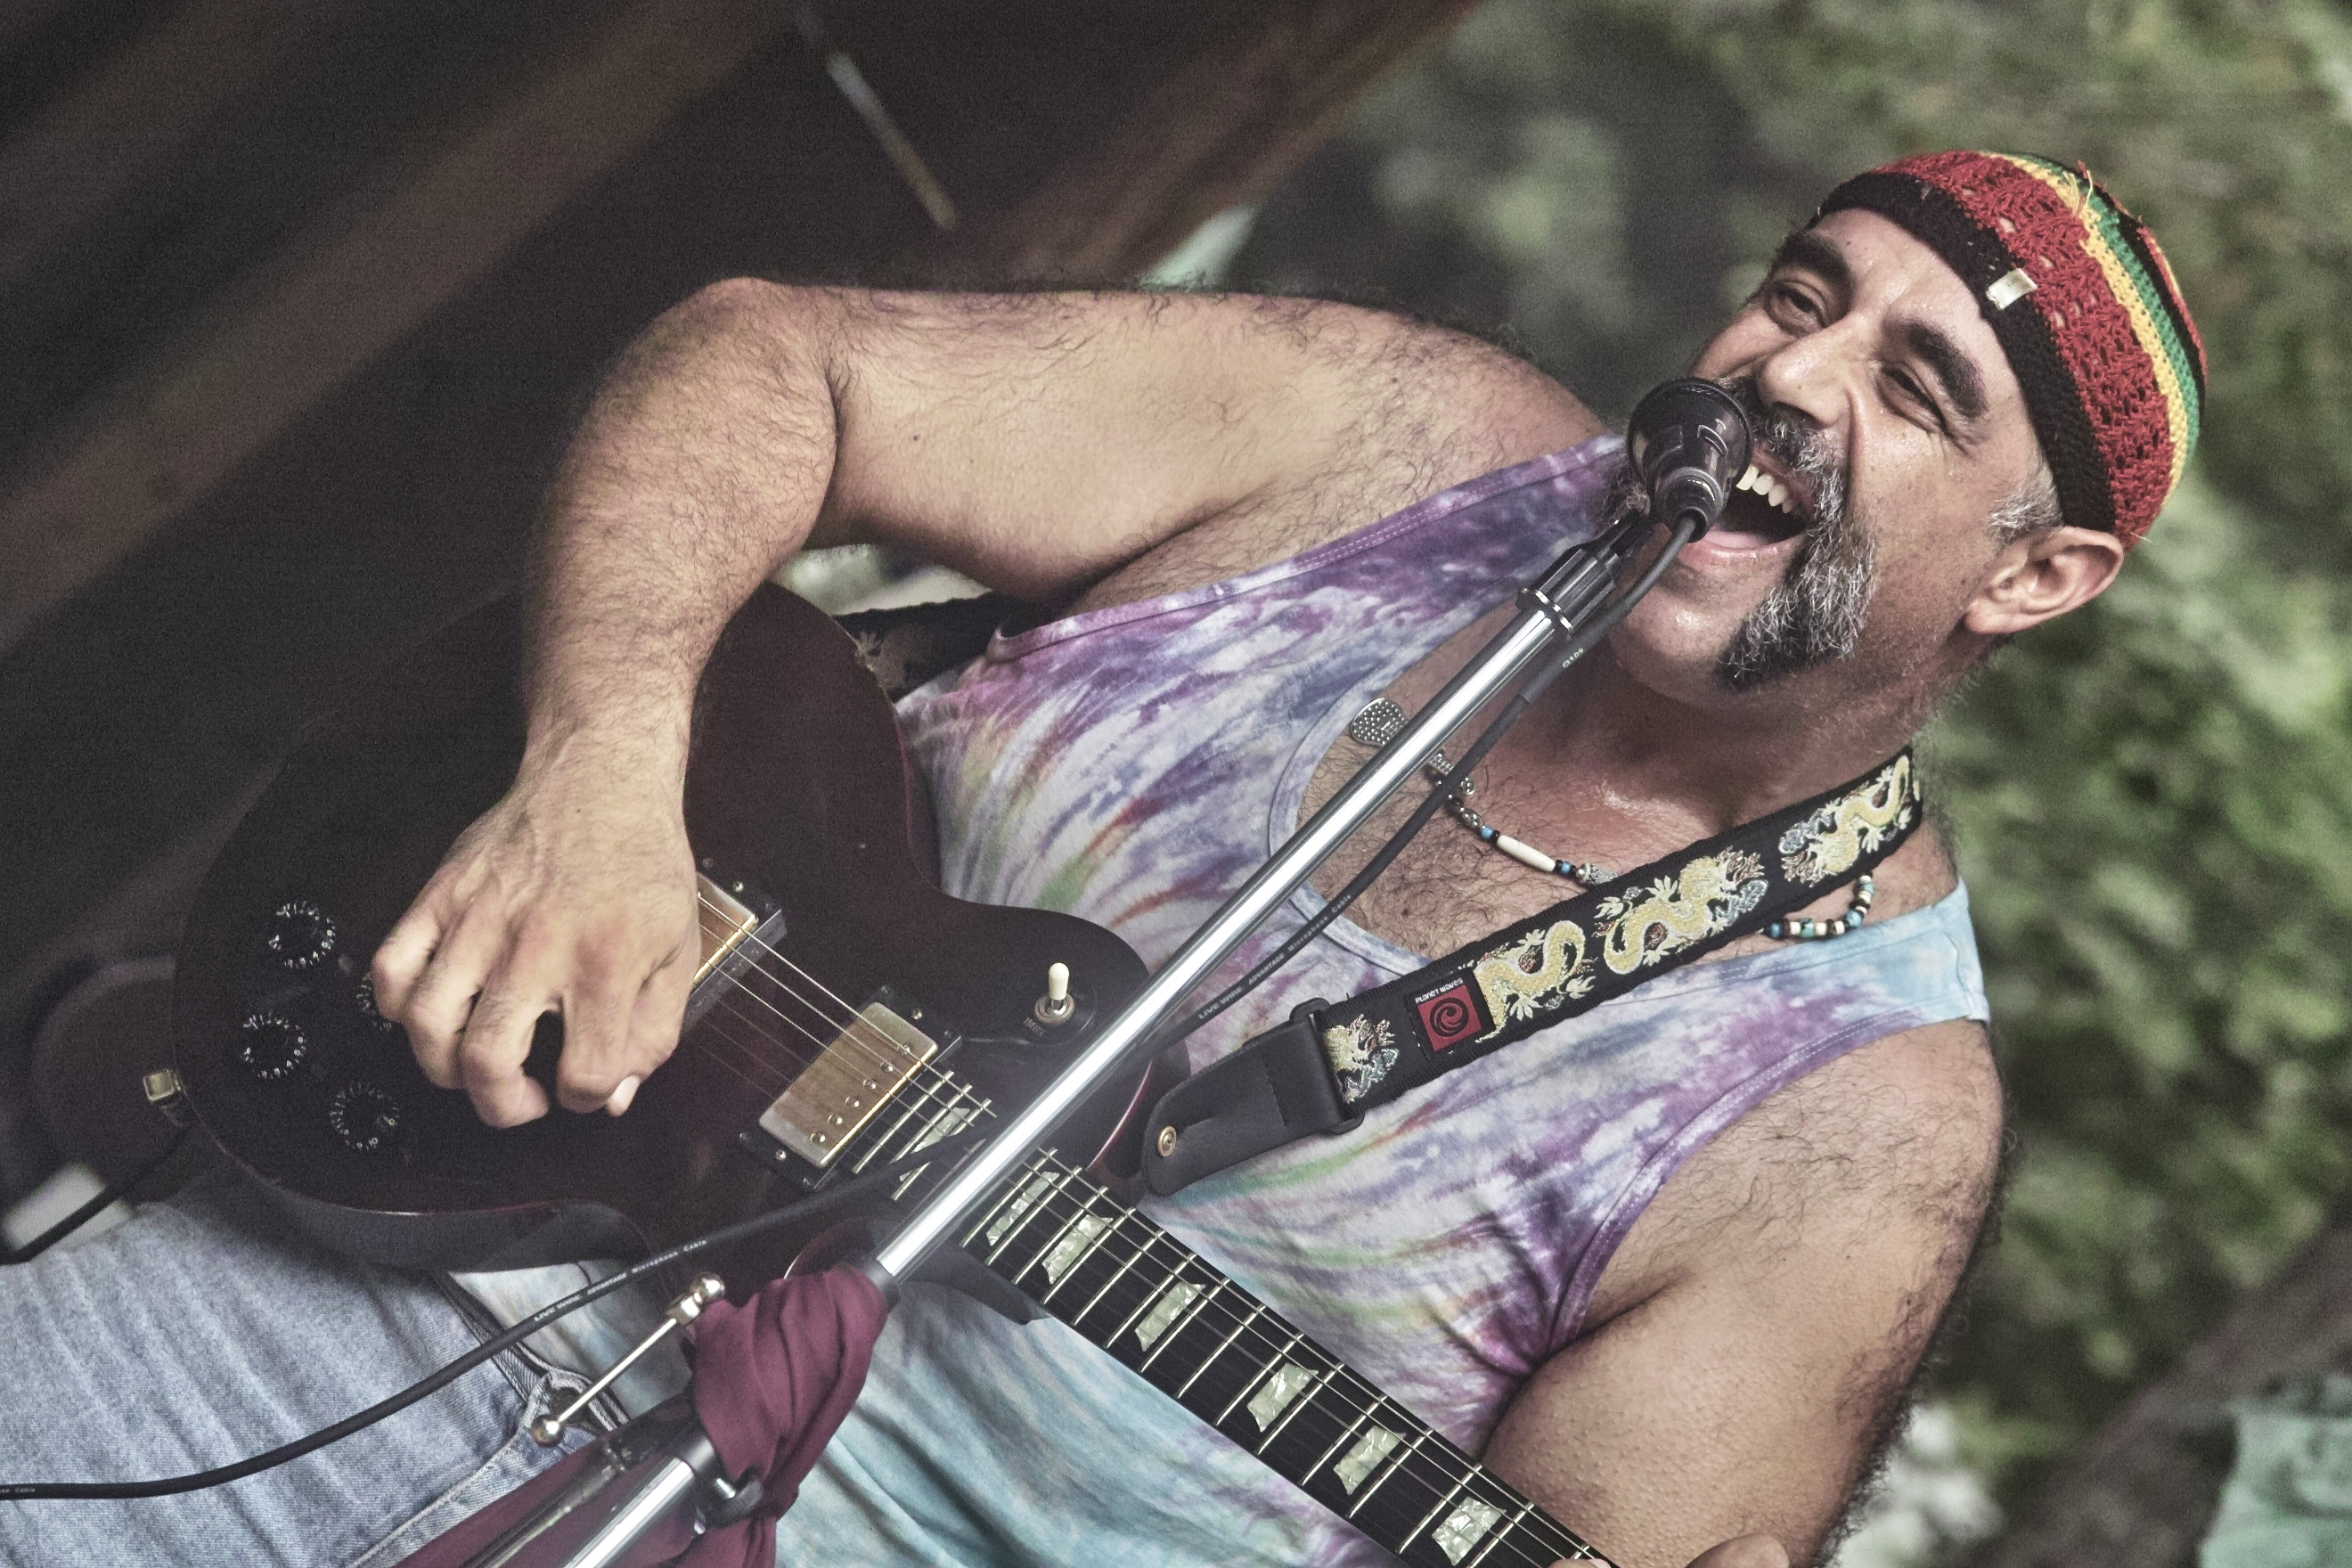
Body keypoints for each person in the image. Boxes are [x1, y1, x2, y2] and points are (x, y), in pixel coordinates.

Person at [0, 151, 2201, 1568]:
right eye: (1801, 296)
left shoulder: (1857, 1119)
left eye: (1917, 390)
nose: (1793, 377)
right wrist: (601, 772)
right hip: (386, 1290)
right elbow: (771, 363)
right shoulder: (1399, 447)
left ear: (2038, 573)